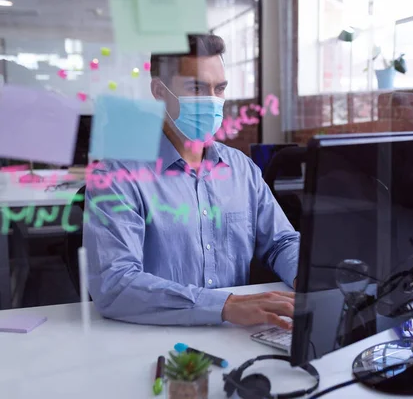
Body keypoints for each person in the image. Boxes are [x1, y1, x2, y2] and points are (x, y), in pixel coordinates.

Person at [83, 34, 298, 329]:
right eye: (197, 88)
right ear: (160, 91)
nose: (212, 100)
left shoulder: (241, 169)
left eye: (219, 88)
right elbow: (114, 284)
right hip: (150, 338)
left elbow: (281, 242)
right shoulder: (116, 176)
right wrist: (224, 306)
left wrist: (308, 277)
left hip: (237, 334)